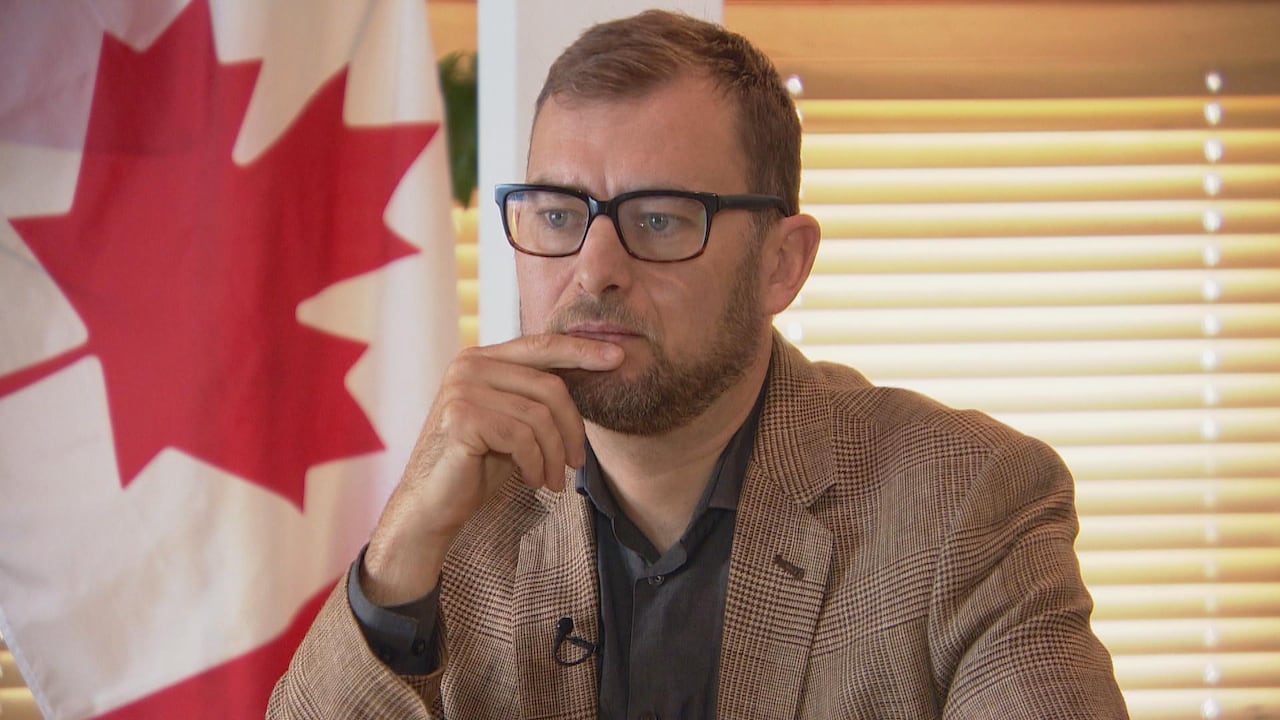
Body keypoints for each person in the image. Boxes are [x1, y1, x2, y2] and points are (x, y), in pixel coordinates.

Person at [269, 9, 1128, 719]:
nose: (595, 266)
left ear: (781, 264)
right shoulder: (457, 529)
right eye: (561, 213)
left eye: (662, 219)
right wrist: (396, 563)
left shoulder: (966, 502)